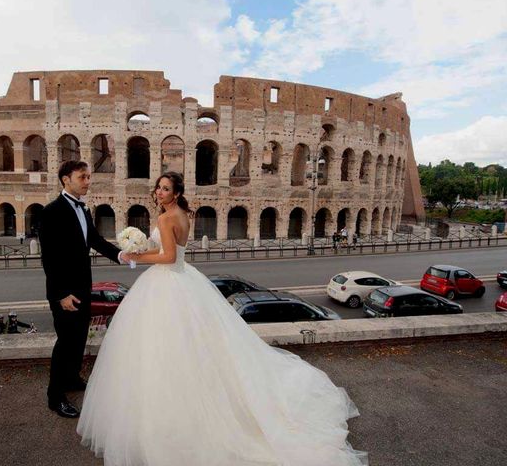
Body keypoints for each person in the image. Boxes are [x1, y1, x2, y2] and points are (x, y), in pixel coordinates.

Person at [76, 172, 367, 466]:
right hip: (183, 281)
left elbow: (167, 258)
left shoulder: (165, 219)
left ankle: (171, 416)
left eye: (165, 189)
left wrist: (133, 258)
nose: (159, 192)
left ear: (176, 193)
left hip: (166, 282)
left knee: (162, 351)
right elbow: (170, 252)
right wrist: (139, 248)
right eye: (158, 188)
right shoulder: (181, 215)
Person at [38, 160, 127, 419]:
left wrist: (121, 255)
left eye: (89, 176)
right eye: (83, 177)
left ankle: (72, 378)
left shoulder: (84, 209)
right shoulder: (51, 211)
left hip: (83, 285)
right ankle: (55, 397)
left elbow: (95, 241)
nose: (88, 181)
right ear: (66, 179)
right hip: (64, 291)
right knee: (65, 343)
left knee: (78, 340)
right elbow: (49, 258)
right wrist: (61, 295)